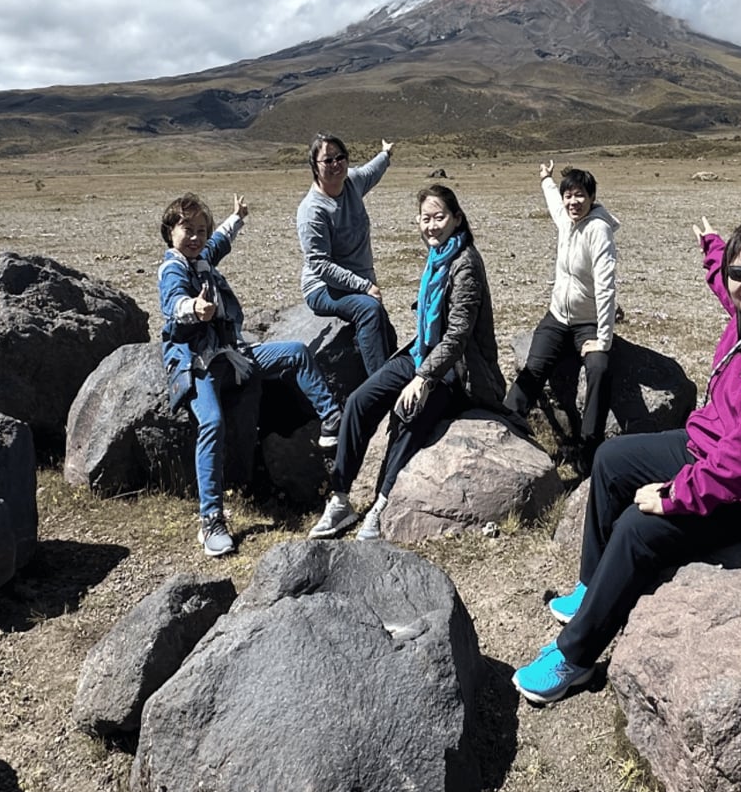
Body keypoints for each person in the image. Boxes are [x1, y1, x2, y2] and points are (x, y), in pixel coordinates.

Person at [513, 200, 741, 704]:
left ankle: (576, 657)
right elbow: (728, 289)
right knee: (613, 460)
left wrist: (678, 496)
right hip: (709, 444)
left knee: (640, 529)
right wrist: (715, 250)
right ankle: (594, 588)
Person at [310, 184, 508, 541]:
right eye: (426, 219)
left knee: (408, 412)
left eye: (440, 217)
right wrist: (419, 368)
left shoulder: (465, 263)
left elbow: (459, 334)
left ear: (457, 219)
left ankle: (381, 507)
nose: (432, 226)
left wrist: (424, 377)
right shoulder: (438, 257)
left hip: (458, 371)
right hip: (422, 353)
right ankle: (340, 499)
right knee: (359, 401)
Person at [159, 192, 343, 557]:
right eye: (187, 229)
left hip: (232, 355)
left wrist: (237, 217)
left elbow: (218, 243)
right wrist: (195, 308)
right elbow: (173, 303)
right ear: (169, 232)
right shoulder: (173, 269)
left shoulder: (202, 259)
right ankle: (210, 519)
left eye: (200, 229)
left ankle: (333, 419)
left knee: (295, 353)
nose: (196, 237)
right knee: (211, 424)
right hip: (198, 363)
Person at [504, 161, 620, 473]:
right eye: (569, 195)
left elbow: (607, 288)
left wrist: (603, 340)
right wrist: (546, 178)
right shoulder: (566, 219)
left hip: (589, 322)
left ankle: (589, 446)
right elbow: (554, 202)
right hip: (558, 315)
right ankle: (506, 423)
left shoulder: (599, 231)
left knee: (599, 368)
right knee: (535, 366)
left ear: (592, 197)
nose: (572, 201)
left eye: (580, 195)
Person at [296, 132, 400, 377]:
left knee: (388, 333)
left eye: (340, 157)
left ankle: (395, 379)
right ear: (314, 166)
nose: (336, 164)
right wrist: (363, 286)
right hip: (322, 287)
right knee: (368, 310)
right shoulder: (312, 210)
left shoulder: (351, 182)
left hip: (356, 282)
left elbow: (371, 171)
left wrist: (385, 153)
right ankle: (380, 388)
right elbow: (320, 264)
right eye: (328, 160)